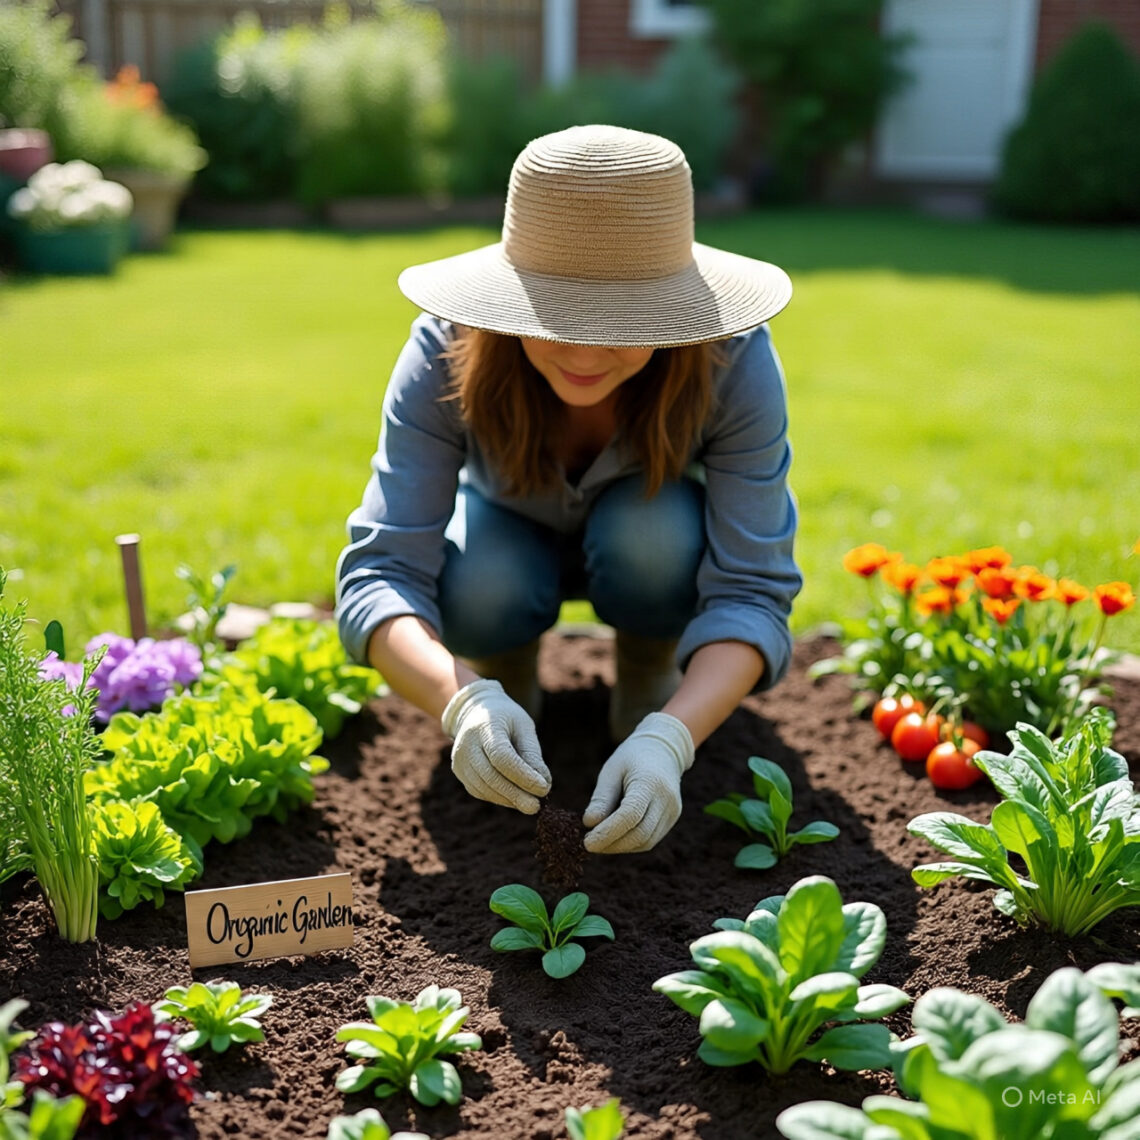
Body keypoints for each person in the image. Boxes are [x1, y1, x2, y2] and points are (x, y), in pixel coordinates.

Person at [336, 124, 801, 855]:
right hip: (502, 543)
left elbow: (753, 589)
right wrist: (461, 701)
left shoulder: (731, 360)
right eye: (552, 317)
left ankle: (651, 677)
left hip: (649, 548)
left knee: (652, 538)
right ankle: (505, 675)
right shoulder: (445, 348)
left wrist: (672, 740)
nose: (584, 353)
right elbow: (380, 573)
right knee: (485, 581)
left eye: (624, 322)